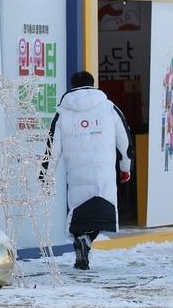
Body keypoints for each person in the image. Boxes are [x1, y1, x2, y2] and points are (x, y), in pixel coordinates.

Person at [47, 71, 133, 270]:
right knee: (101, 211)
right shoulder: (109, 107)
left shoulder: (63, 112)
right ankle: (87, 241)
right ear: (92, 84)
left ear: (72, 85)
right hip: (103, 171)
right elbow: (125, 140)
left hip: (76, 173)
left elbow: (52, 147)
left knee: (80, 212)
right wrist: (125, 167)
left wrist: (46, 174)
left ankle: (81, 240)